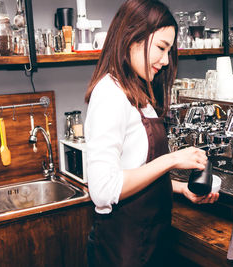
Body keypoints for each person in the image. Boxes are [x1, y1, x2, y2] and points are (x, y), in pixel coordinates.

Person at [84, 0, 219, 266]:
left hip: (148, 243)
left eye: (169, 50)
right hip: (122, 251)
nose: (166, 61)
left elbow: (133, 167)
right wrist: (171, 159)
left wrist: (180, 189)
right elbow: (103, 190)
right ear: (132, 37)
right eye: (161, 48)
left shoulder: (136, 91)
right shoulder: (109, 93)